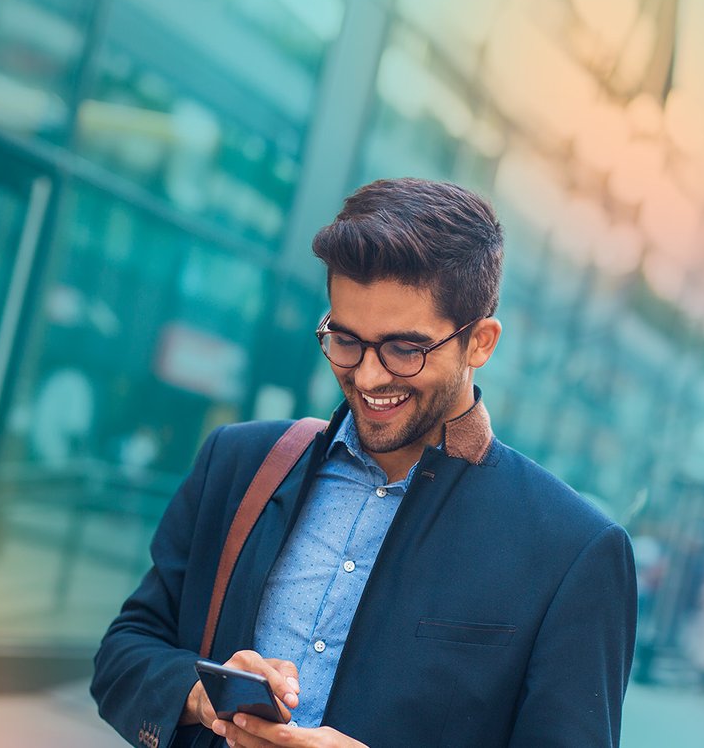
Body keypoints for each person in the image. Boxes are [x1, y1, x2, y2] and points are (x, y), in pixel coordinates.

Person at [91, 178, 638, 747]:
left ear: (480, 342)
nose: (369, 376)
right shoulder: (239, 463)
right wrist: (206, 696)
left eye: (405, 349)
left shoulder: (575, 552)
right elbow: (125, 651)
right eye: (346, 339)